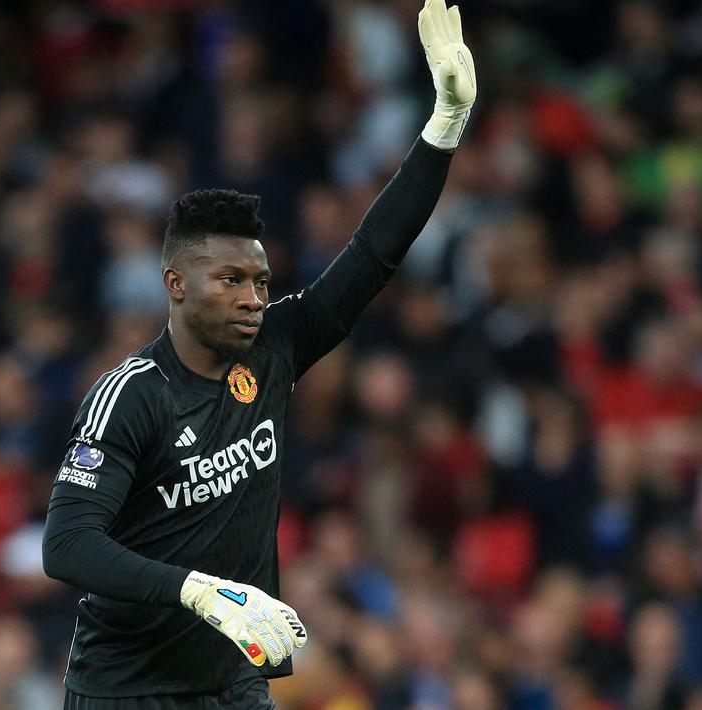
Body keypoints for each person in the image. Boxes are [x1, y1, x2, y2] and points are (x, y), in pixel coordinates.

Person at [40, 1, 477, 707]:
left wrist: (444, 127)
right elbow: (66, 546)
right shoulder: (132, 395)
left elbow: (372, 255)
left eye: (261, 281)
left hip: (233, 681)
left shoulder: (273, 345)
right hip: (129, 691)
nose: (252, 297)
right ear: (176, 285)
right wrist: (196, 590)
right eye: (231, 280)